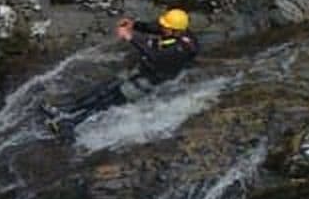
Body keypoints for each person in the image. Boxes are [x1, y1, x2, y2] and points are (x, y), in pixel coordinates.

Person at [42, 8, 199, 136]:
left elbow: (154, 55)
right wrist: (135, 25)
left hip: (150, 80)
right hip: (142, 69)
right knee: (103, 89)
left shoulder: (181, 48)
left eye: (166, 27)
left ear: (175, 31)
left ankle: (72, 124)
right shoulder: (176, 30)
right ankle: (67, 110)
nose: (162, 27)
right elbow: (155, 28)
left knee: (109, 101)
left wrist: (130, 37)